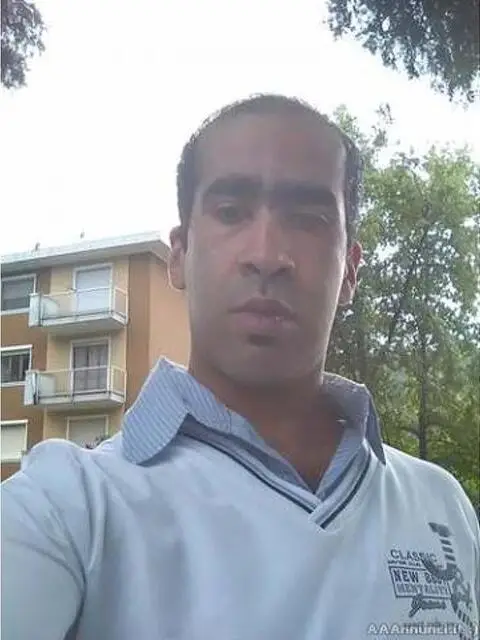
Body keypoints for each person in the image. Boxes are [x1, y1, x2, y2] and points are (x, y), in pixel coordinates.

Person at [2, 94, 479, 640]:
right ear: (179, 255)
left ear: (350, 269)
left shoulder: (442, 507)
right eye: (231, 212)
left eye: (308, 219)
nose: (267, 255)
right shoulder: (68, 507)